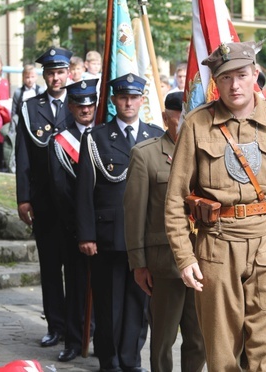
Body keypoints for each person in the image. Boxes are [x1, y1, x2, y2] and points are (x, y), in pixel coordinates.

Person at [165, 42, 266, 371]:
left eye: (242, 75)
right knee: (221, 353)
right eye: (226, 77)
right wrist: (185, 256)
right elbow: (175, 199)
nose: (234, 85)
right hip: (217, 248)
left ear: (255, 75)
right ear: (216, 81)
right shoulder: (197, 124)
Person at [76, 74, 164, 372]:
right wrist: (86, 234)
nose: (128, 102)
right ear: (113, 101)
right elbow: (84, 191)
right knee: (109, 303)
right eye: (123, 97)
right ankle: (110, 361)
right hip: (108, 236)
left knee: (138, 304)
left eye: (134, 97)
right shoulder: (97, 138)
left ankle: (131, 360)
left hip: (144, 237)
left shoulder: (155, 136)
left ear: (142, 100)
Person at [123, 91, 206, 372]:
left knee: (199, 339)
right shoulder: (145, 155)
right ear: (166, 118)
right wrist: (138, 263)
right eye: (180, 114)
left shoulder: (207, 154)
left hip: (204, 259)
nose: (186, 120)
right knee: (163, 340)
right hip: (165, 263)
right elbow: (134, 213)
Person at [15, 47, 74, 349]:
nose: (55, 78)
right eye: (50, 73)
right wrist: (23, 198)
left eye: (60, 72)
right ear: (44, 75)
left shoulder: (81, 103)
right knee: (50, 268)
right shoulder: (30, 107)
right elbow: (22, 155)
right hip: (44, 203)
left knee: (77, 270)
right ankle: (56, 327)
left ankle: (79, 328)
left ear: (69, 73)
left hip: (75, 204)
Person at [46, 78, 98, 363]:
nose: (85, 110)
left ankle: (100, 337)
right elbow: (60, 187)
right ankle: (74, 340)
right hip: (73, 227)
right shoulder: (60, 140)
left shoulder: (103, 136)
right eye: (80, 105)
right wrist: (80, 224)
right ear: (71, 106)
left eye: (90, 105)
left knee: (102, 287)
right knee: (76, 285)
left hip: (102, 226)